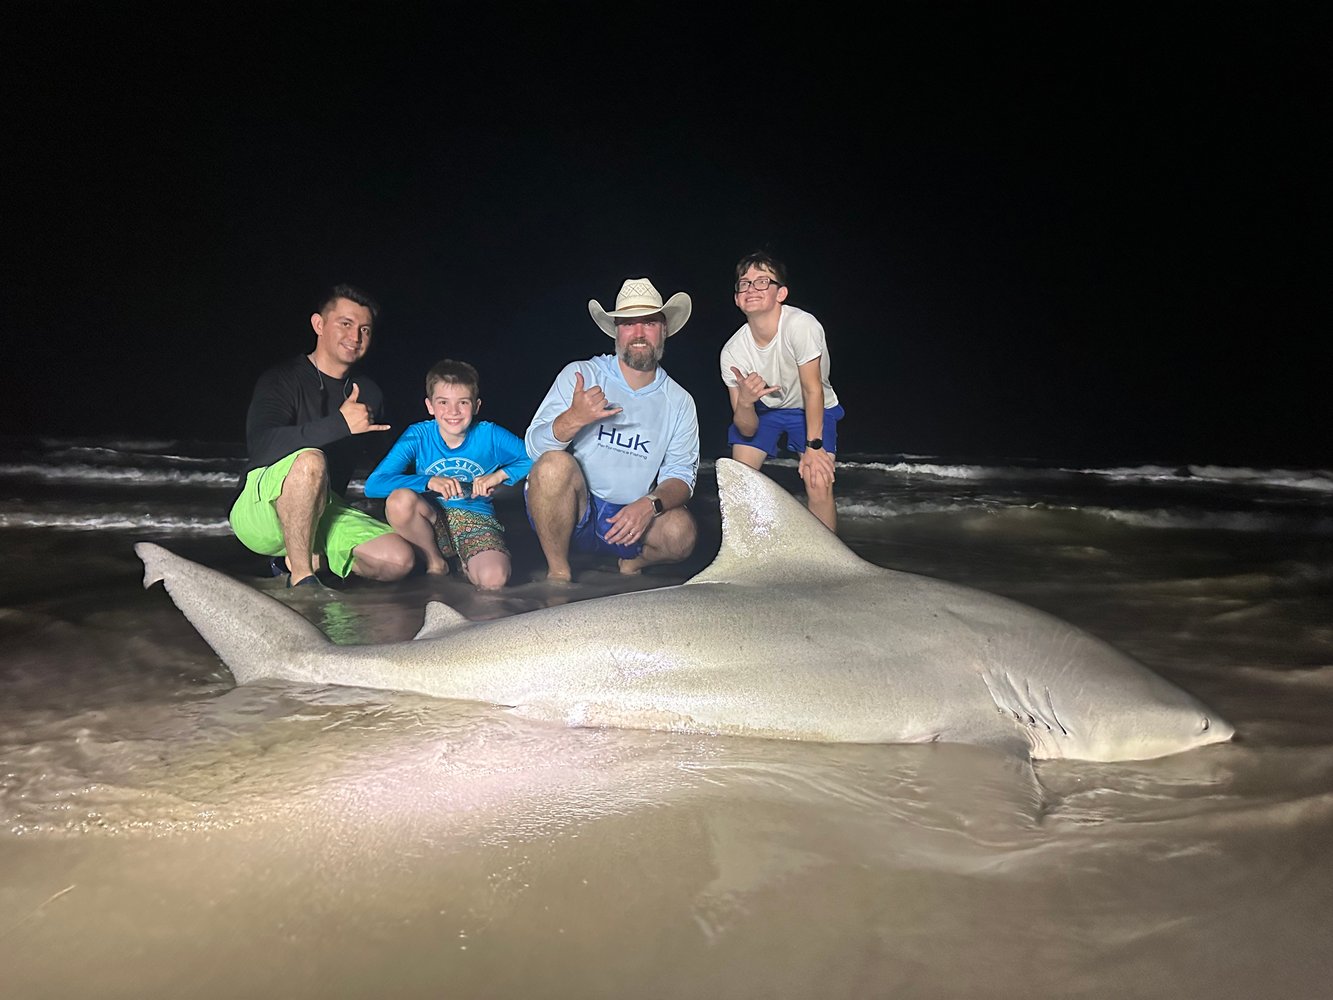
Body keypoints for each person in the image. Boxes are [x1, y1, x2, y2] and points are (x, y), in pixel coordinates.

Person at [228, 284, 414, 586]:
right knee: (311, 461)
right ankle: (303, 580)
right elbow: (261, 445)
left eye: (365, 329)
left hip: (324, 507)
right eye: (346, 324)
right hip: (258, 511)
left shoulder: (368, 392)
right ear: (318, 324)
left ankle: (298, 559)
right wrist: (340, 424)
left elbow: (390, 460)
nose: (355, 337)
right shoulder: (281, 379)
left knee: (399, 560)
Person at [524, 277, 699, 581]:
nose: (639, 333)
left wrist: (649, 505)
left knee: (682, 532)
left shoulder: (680, 402)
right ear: (616, 332)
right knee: (553, 465)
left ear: (665, 329)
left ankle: (633, 563)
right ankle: (559, 573)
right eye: (629, 324)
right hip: (574, 510)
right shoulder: (582, 374)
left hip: (630, 521)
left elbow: (682, 477)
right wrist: (574, 419)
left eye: (649, 323)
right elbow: (534, 450)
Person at [364, 359, 532, 589]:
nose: (453, 412)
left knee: (495, 581)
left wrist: (501, 475)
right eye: (443, 402)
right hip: (431, 522)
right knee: (399, 500)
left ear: (476, 405)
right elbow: (374, 484)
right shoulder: (418, 434)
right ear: (430, 406)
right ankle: (436, 563)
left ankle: (467, 564)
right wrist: (428, 481)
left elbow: (537, 457)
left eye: (463, 402)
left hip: (477, 522)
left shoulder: (490, 434)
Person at [720, 251, 844, 532]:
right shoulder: (732, 353)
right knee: (740, 480)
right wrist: (747, 403)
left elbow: (812, 390)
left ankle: (826, 563)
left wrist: (814, 447)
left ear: (781, 293)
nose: (752, 288)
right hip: (767, 409)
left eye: (762, 281)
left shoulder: (802, 326)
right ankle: (753, 554)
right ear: (737, 298)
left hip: (812, 406)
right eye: (745, 283)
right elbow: (746, 428)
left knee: (818, 478)